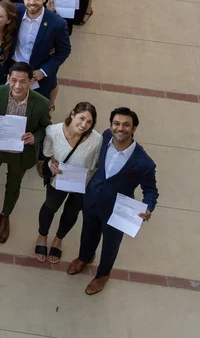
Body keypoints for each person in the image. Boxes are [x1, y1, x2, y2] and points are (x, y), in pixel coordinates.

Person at [66, 107, 158, 295]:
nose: (120, 128)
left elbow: (151, 190)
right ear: (111, 125)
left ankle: (103, 275)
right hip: (92, 199)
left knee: (110, 245)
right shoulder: (106, 136)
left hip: (119, 210)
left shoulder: (144, 162)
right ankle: (85, 257)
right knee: (88, 232)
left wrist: (148, 207)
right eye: (116, 123)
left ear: (134, 129)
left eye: (126, 125)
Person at [0, 62, 51, 243]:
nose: (17, 86)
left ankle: (5, 215)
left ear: (31, 82)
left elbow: (45, 127)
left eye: (23, 82)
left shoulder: (41, 103)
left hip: (20, 152)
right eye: (14, 80)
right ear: (8, 79)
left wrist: (36, 137)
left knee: (13, 185)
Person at [35, 102, 102, 265]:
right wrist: (53, 163)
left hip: (82, 184)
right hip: (59, 180)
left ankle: (58, 239)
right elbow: (48, 153)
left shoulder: (96, 140)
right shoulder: (53, 131)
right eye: (82, 118)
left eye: (89, 122)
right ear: (72, 114)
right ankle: (42, 235)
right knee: (50, 206)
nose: (84, 125)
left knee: (72, 213)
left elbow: (95, 165)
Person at [13, 0, 71, 104]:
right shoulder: (14, 12)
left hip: (38, 78)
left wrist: (43, 71)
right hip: (13, 70)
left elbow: (64, 51)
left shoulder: (57, 23)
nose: (32, 2)